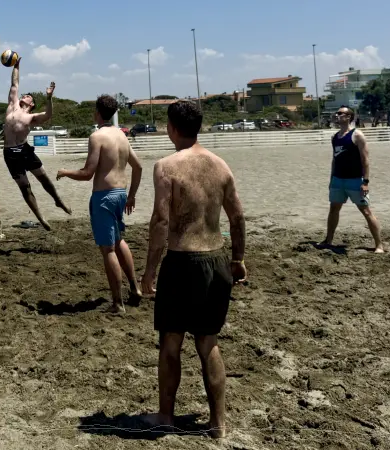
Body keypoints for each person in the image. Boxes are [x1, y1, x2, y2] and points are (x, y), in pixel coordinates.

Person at [140, 100, 247, 439]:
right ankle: (218, 424)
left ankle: (166, 416)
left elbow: (160, 221)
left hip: (182, 261)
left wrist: (149, 270)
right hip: (216, 260)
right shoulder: (220, 165)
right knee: (208, 343)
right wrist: (238, 259)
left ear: (171, 127)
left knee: (171, 343)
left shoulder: (166, 167)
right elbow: (238, 218)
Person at [56, 95, 143, 313]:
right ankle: (134, 288)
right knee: (120, 240)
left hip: (104, 196)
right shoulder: (122, 136)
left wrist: (65, 172)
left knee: (108, 249)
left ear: (97, 112)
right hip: (120, 193)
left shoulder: (97, 137)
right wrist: (131, 195)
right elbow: (138, 167)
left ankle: (117, 303)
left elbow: (87, 173)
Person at [3, 57, 71, 231]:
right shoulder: (12, 105)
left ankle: (58, 200)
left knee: (43, 178)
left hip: (24, 150)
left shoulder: (31, 117)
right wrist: (17, 66)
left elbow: (48, 115)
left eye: (28, 97)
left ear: (31, 104)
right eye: (24, 95)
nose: (24, 96)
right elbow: (14, 83)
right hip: (10, 153)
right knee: (25, 187)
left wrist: (49, 98)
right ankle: (40, 217)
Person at [321, 105, 384, 253]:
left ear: (349, 117)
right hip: (338, 179)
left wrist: (365, 182)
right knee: (334, 209)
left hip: (355, 180)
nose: (337, 115)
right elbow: (334, 160)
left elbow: (365, 160)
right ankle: (328, 239)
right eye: (337, 113)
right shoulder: (335, 137)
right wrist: (331, 179)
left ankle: (379, 244)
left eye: (341, 113)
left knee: (366, 211)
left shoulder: (357, 135)